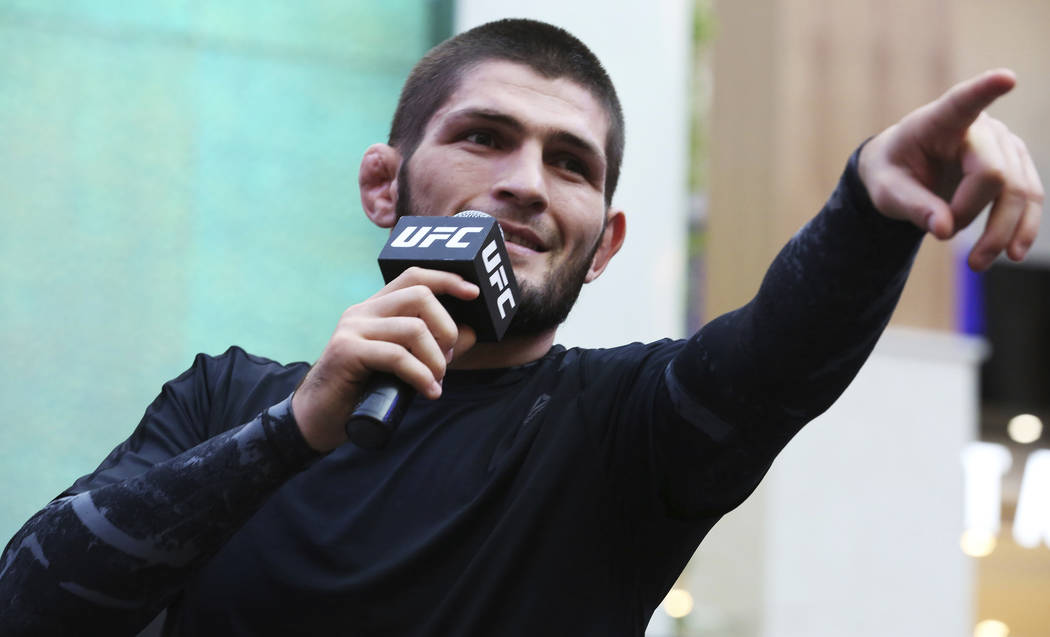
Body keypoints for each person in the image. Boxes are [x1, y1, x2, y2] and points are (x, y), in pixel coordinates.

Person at [0, 17, 1043, 636]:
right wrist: (295, 428)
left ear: (607, 240)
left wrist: (869, 204)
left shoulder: (626, 430)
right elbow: (29, 604)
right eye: (485, 137)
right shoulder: (226, 399)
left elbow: (776, 355)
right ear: (383, 183)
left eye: (569, 163)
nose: (524, 185)